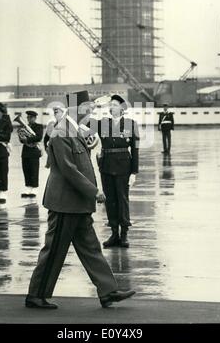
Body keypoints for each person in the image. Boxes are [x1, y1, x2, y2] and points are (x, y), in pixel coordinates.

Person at [25, 90, 135, 310]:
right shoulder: (60, 132)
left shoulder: (74, 130)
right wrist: (93, 191)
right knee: (54, 250)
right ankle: (36, 295)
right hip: (65, 202)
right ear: (77, 109)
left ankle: (108, 291)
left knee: (91, 248)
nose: (91, 112)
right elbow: (68, 169)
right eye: (88, 108)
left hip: (77, 203)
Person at [87, 94, 139, 248]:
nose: (111, 107)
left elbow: (135, 149)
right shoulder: (103, 123)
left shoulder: (130, 124)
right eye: (110, 105)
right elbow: (88, 124)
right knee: (110, 200)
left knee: (122, 200)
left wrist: (134, 172)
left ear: (122, 109)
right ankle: (114, 234)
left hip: (124, 167)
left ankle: (124, 235)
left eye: (115, 105)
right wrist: (95, 109)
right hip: (107, 166)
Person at [19, 110, 43, 198]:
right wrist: (22, 138)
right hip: (26, 151)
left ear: (35, 118)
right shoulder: (24, 127)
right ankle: (28, 187)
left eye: (31, 117)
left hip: (34, 151)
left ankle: (34, 188)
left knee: (34, 170)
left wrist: (28, 140)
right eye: (28, 117)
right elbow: (21, 138)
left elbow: (39, 137)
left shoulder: (39, 126)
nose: (29, 119)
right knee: (26, 170)